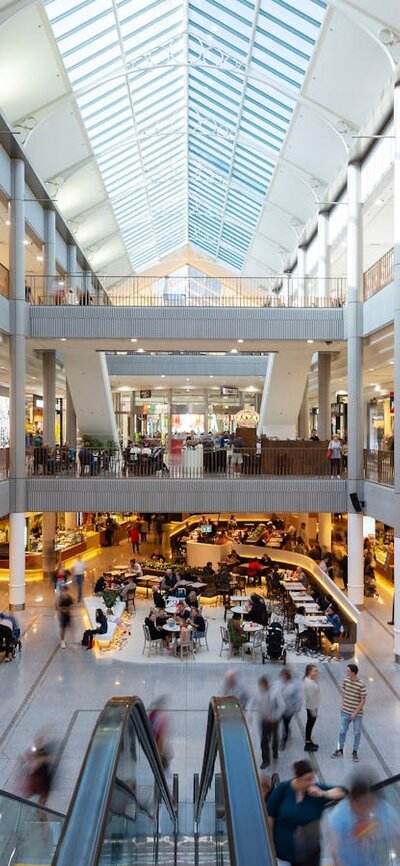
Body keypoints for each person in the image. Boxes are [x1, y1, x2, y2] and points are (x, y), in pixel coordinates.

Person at [267, 759, 345, 866]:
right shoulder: (283, 789)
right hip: (283, 853)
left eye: (312, 778)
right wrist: (270, 844)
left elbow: (343, 792)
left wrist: (324, 794)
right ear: (298, 778)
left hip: (310, 854)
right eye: (307, 779)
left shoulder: (316, 791)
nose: (311, 782)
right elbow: (269, 816)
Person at [321, 768, 400, 866]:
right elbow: (333, 849)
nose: (366, 808)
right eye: (361, 804)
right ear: (352, 799)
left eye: (369, 802)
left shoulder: (384, 810)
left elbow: (397, 839)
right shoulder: (340, 815)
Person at [331, 663, 367, 762]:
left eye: (348, 671)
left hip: (357, 714)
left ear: (353, 672)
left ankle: (355, 751)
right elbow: (344, 693)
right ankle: (340, 749)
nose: (346, 672)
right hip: (345, 711)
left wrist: (355, 712)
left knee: (357, 733)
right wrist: (342, 706)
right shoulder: (346, 681)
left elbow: (363, 700)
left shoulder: (361, 684)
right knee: (342, 731)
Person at [253, 675, 285, 768]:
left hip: (273, 720)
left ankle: (275, 751)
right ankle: (265, 760)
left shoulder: (275, 693)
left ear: (266, 685)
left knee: (274, 737)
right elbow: (253, 701)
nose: (260, 687)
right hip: (264, 720)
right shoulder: (259, 693)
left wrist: (275, 716)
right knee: (264, 740)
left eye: (262, 685)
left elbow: (282, 706)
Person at [278, 668, 303, 749]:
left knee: (285, 725)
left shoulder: (293, 686)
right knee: (282, 724)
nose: (282, 677)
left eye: (284, 676)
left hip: (289, 710)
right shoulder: (279, 684)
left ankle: (283, 741)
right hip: (280, 708)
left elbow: (298, 698)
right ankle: (286, 732)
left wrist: (297, 708)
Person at [304, 664, 320, 752]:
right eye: (314, 671)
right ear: (309, 671)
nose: (316, 672)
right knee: (309, 725)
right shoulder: (309, 683)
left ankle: (309, 741)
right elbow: (310, 697)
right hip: (311, 707)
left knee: (310, 724)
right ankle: (307, 743)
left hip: (312, 707)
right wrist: (314, 712)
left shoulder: (310, 680)